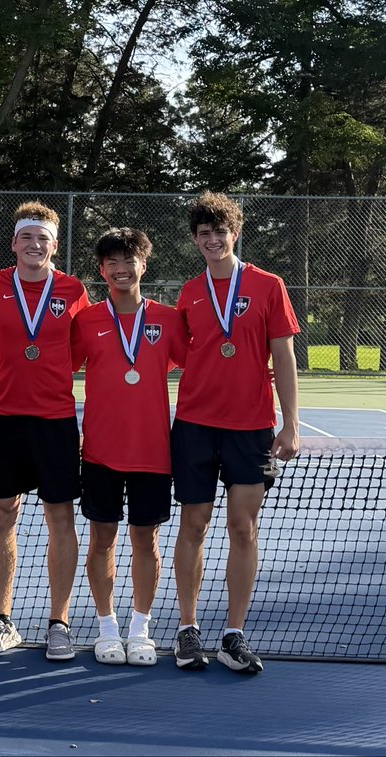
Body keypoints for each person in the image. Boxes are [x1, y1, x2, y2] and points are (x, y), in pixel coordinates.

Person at [171, 191, 300, 673]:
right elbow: (176, 354)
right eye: (204, 233)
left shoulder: (268, 285)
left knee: (243, 527)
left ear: (235, 233)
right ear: (195, 239)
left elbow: (284, 356)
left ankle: (233, 635)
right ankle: (188, 629)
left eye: (220, 232)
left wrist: (290, 424)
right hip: (195, 426)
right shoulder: (190, 292)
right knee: (194, 523)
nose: (213, 240)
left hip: (251, 428)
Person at [0, 201, 90, 661]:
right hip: (4, 419)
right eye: (26, 237)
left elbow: (82, 345)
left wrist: (51, 366)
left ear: (54, 246)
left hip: (56, 422)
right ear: (14, 244)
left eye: (43, 238)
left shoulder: (73, 289)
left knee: (60, 518)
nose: (34, 245)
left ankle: (59, 623)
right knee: (2, 516)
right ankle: (2, 619)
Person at [69, 228, 187, 666]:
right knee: (101, 539)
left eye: (129, 260)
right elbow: (56, 366)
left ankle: (140, 629)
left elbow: (202, 362)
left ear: (144, 264)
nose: (121, 269)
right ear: (102, 270)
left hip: (153, 452)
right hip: (100, 452)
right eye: (112, 262)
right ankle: (106, 628)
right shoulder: (86, 321)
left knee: (146, 541)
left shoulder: (169, 320)